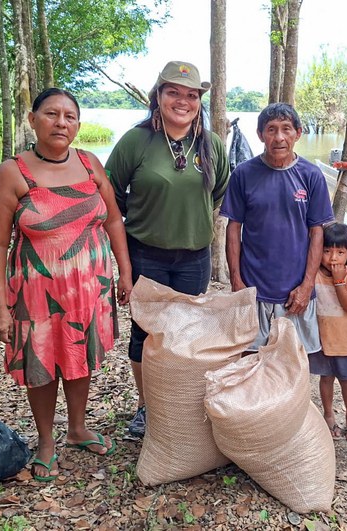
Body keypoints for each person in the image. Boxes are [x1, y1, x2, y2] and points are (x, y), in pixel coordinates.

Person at [0, 88, 133, 481]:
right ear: (32, 120)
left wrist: (126, 272)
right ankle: (47, 440)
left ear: (78, 125)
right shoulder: (12, 173)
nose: (61, 122)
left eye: (69, 116)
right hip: (36, 293)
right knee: (43, 364)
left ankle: (78, 428)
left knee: (79, 357)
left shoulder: (90, 164)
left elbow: (114, 220)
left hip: (89, 287)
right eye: (51, 114)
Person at [105, 61, 230, 438]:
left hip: (193, 257)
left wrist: (187, 219)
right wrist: (139, 223)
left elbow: (219, 192)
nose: (182, 101)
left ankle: (179, 402)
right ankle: (147, 407)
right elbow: (109, 193)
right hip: (146, 254)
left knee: (187, 334)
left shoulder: (211, 144)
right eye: (173, 91)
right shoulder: (136, 141)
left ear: (199, 102)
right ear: (157, 96)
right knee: (146, 334)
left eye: (191, 95)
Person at [220, 102, 334, 355]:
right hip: (254, 287)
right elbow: (233, 229)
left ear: (298, 133)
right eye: (271, 130)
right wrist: (237, 281)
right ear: (261, 135)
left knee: (293, 363)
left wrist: (307, 286)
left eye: (286, 129)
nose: (279, 137)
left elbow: (317, 232)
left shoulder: (311, 175)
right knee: (251, 361)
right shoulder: (243, 174)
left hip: (294, 292)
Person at [310, 222, 347, 442]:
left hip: (345, 342)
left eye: (340, 252)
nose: (333, 259)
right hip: (322, 340)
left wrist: (339, 281)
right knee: (326, 379)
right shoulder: (313, 274)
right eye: (327, 251)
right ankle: (328, 416)